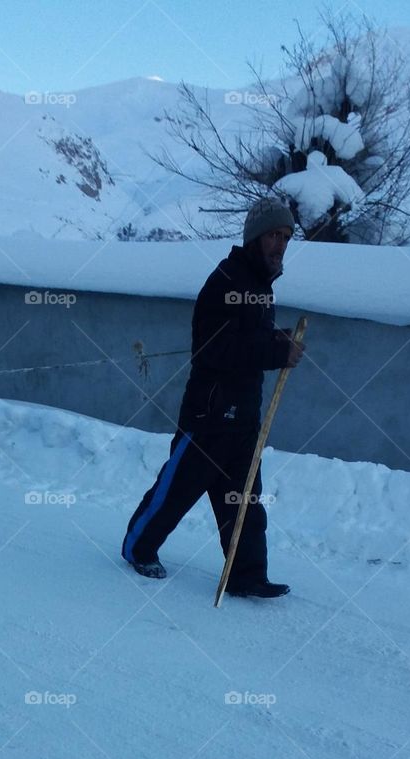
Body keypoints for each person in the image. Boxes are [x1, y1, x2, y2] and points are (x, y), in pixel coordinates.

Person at [121, 196, 305, 598]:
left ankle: (247, 575)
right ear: (255, 237)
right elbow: (214, 350)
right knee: (176, 493)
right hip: (210, 415)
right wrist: (275, 352)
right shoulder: (226, 281)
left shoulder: (260, 286)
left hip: (244, 418)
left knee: (244, 502)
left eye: (286, 237)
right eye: (273, 235)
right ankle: (137, 547)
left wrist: (276, 341)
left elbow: (247, 339)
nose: (280, 244)